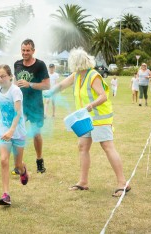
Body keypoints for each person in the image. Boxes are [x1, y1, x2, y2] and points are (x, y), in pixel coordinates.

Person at [44, 47, 130, 197]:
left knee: (107, 147)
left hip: (100, 118)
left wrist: (91, 105)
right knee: (82, 146)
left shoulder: (93, 75)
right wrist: (48, 92)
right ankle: (83, 182)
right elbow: (62, 85)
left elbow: (103, 96)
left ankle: (123, 183)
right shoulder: (77, 75)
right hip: (85, 118)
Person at [0, 64, 29, 206]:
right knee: (4, 160)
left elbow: (18, 113)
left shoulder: (15, 91)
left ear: (10, 76)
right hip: (4, 129)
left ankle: (23, 170)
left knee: (17, 165)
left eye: (3, 76)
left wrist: (12, 131)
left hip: (18, 130)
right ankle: (6, 194)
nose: (0, 79)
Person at [14, 39, 50, 174]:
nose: (25, 53)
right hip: (21, 104)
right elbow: (15, 82)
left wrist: (30, 84)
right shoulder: (17, 64)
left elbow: (47, 85)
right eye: (23, 50)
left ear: (33, 51)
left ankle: (39, 160)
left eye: (28, 50)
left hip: (35, 105)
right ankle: (18, 165)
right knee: (18, 133)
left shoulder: (40, 65)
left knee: (36, 134)